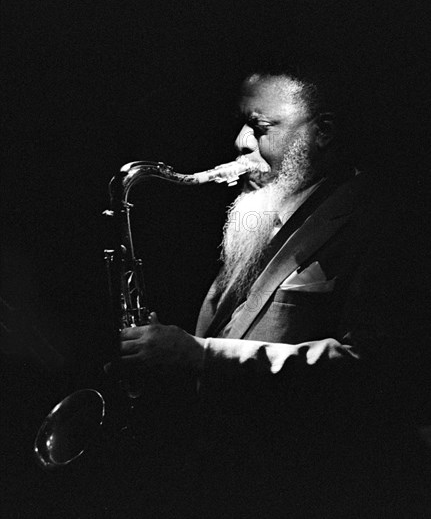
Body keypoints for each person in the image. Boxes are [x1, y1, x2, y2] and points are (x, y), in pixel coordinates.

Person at [113, 68, 431, 517]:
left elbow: (370, 369)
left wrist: (202, 355)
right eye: (242, 125)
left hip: (310, 486)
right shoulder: (261, 214)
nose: (242, 142)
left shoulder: (382, 224)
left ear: (323, 132)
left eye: (260, 128)